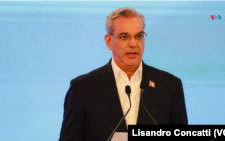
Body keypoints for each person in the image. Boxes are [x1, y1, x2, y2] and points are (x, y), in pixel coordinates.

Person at [59, 7, 188, 141]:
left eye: (139, 36)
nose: (133, 44)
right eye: (124, 37)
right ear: (109, 41)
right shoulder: (83, 88)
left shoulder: (170, 86)